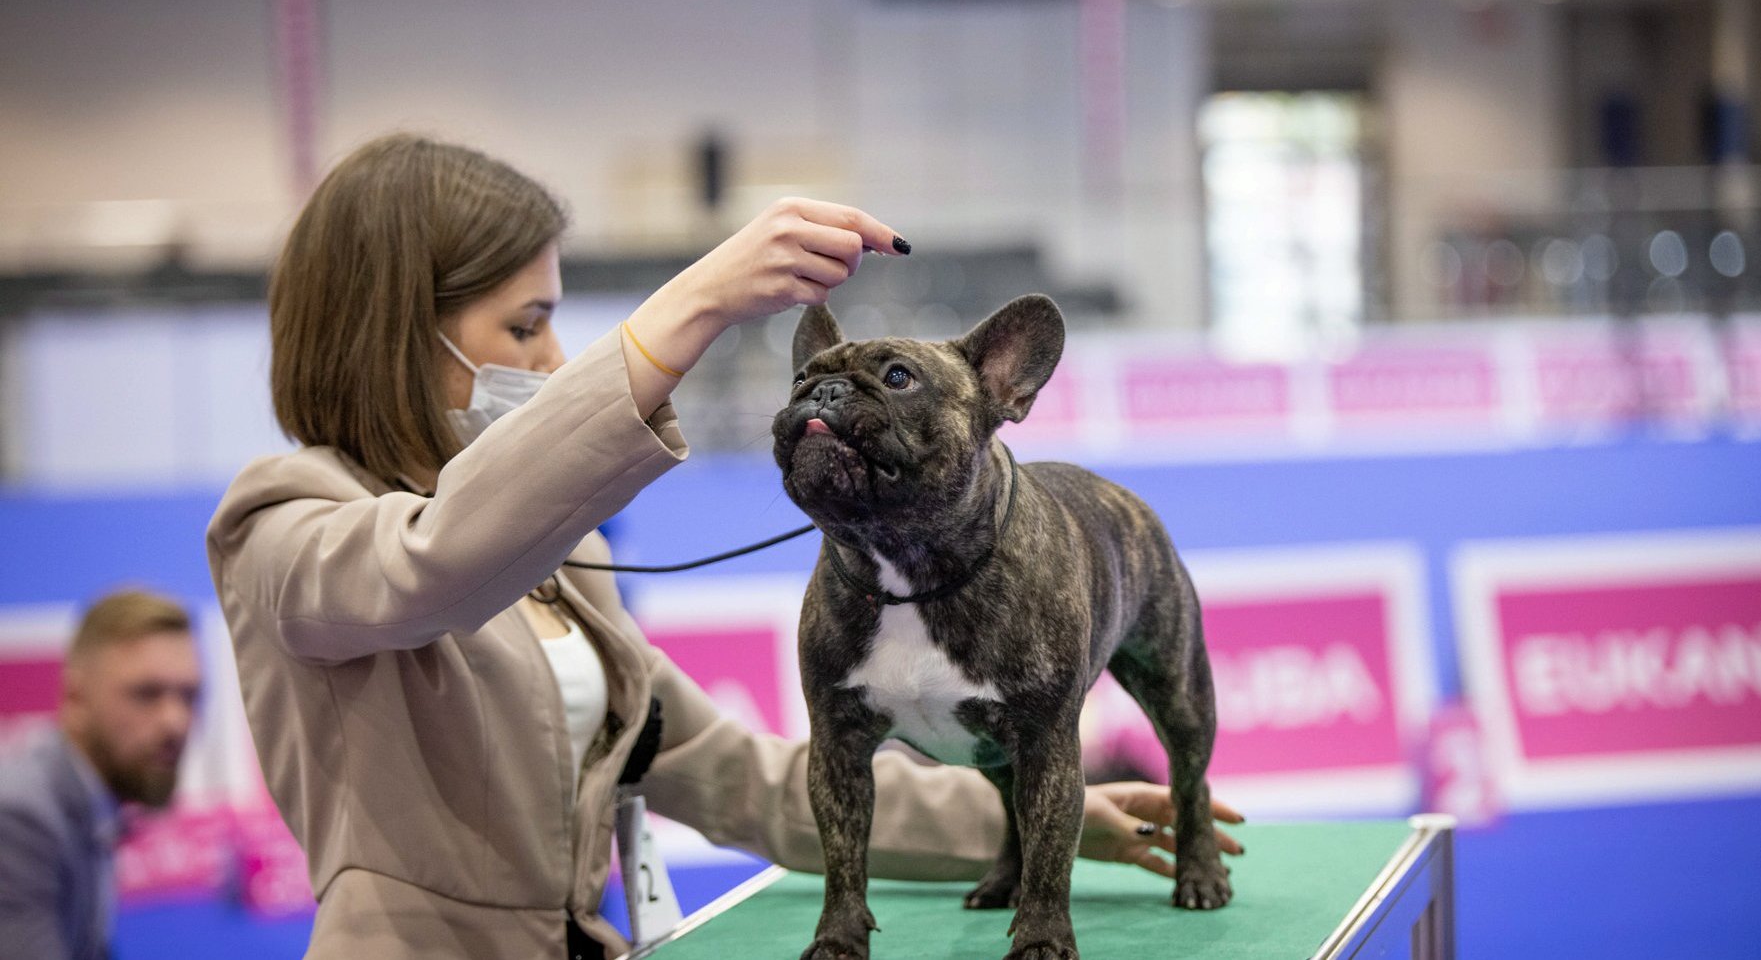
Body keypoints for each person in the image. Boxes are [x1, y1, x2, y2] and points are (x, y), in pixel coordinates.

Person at [205, 133, 1243, 959]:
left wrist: (1043, 817)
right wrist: (691, 308)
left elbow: (742, 778)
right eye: (528, 327)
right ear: (391, 332)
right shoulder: (283, 527)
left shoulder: (559, 568)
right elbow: (432, 568)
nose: (555, 360)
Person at [0, 590, 203, 960]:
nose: (175, 722)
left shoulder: (92, 807)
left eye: (189, 696)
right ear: (76, 697)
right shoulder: (18, 819)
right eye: (147, 693)